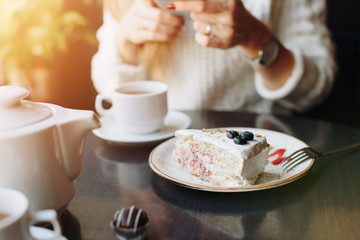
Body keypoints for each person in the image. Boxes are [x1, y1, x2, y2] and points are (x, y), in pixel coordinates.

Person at [91, 0, 336, 115]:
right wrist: (126, 42)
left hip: (258, 143)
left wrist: (255, 37)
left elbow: (314, 91)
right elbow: (108, 90)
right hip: (157, 147)